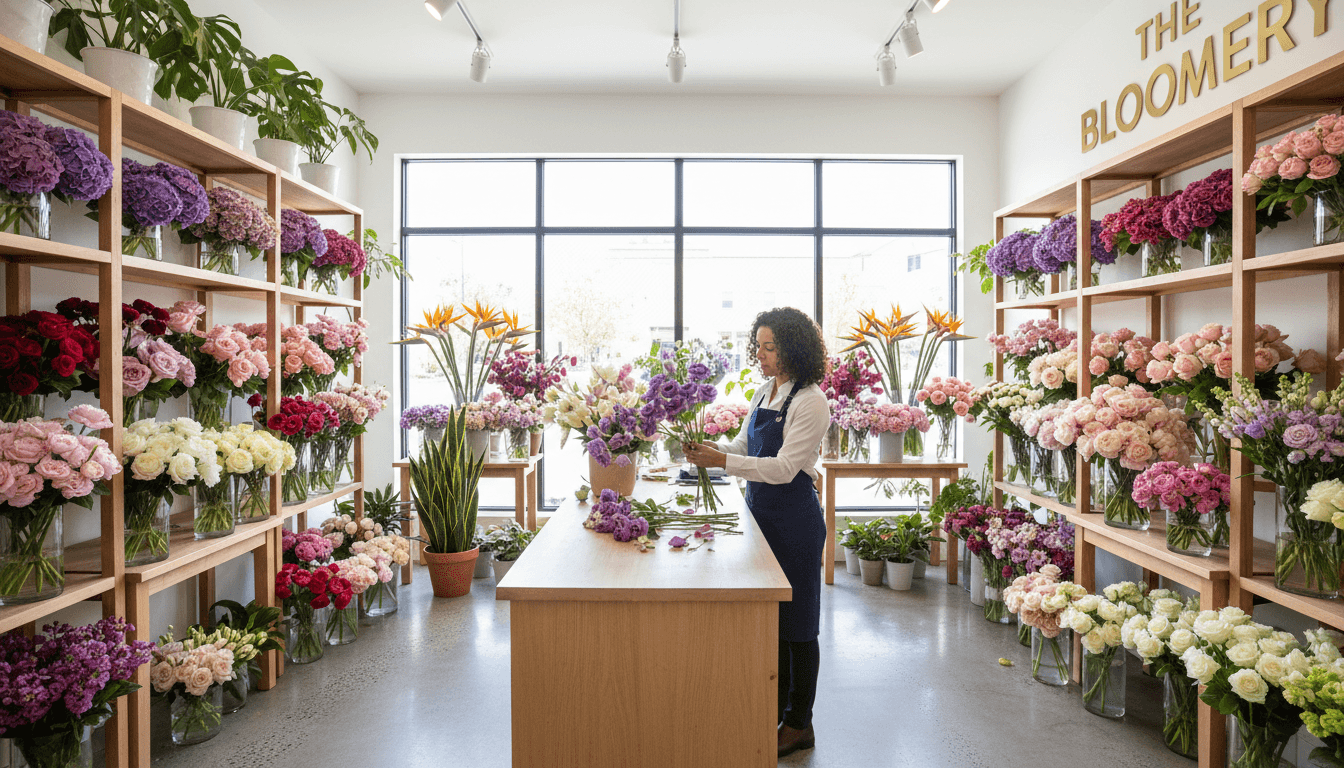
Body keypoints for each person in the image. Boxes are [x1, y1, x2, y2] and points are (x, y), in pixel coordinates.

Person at [684, 307, 828, 759]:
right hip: (760, 519)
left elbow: (785, 469)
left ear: (793, 349)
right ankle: (774, 711)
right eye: (759, 346)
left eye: (770, 347)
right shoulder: (764, 391)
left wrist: (722, 463)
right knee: (772, 622)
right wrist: (713, 449)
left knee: (800, 626)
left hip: (796, 523)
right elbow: (746, 448)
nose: (761, 356)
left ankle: (799, 724)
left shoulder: (810, 400)